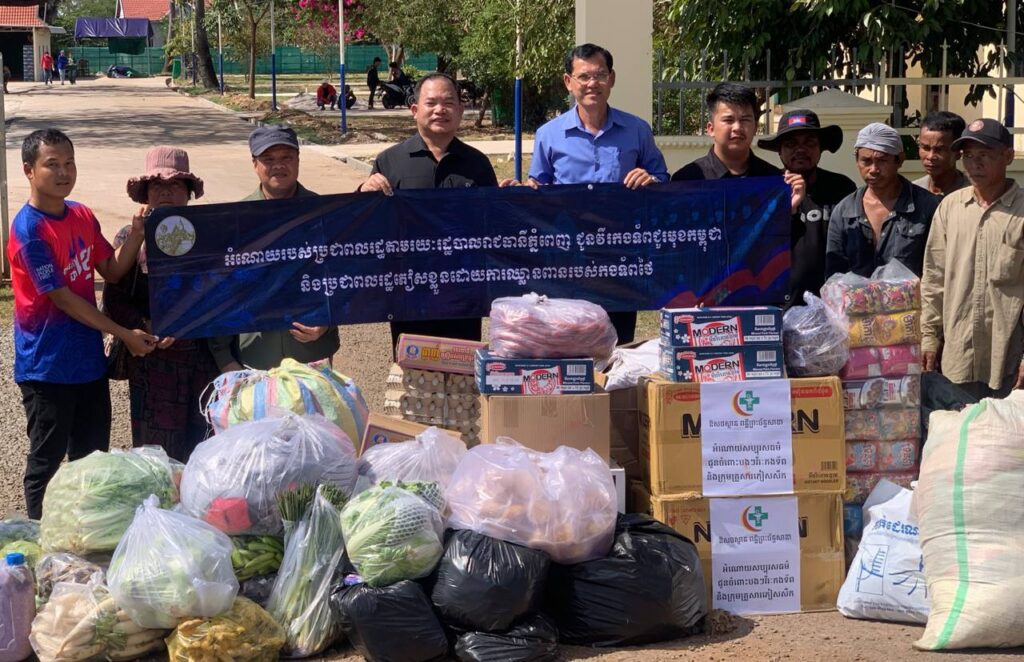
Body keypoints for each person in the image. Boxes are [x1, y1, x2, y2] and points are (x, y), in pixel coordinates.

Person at [7, 129, 157, 518]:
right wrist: (123, 334)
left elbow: (113, 270)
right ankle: (40, 538)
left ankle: (84, 535)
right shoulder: (29, 231)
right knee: (47, 461)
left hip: (88, 363)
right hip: (46, 367)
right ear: (29, 170)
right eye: (52, 164)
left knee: (92, 460)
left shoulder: (81, 215)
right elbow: (63, 298)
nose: (64, 172)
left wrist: (137, 234)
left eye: (69, 163)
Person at [522, 43, 669, 343]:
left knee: (618, 342)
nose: (592, 83)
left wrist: (651, 179)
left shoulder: (637, 130)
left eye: (600, 75)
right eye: (584, 76)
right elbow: (538, 187)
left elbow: (663, 180)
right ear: (569, 82)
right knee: (571, 340)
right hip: (568, 257)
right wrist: (529, 190)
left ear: (611, 79)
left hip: (620, 255)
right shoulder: (548, 135)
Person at [359, 72, 498, 354]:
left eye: (448, 103)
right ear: (414, 110)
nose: (440, 110)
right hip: (408, 294)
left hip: (462, 295)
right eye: (431, 103)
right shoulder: (390, 161)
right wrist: (364, 191)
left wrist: (513, 199)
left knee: (461, 374)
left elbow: (495, 227)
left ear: (460, 110)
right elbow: (368, 226)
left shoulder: (477, 164)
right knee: (412, 373)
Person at [102, 146, 219, 462]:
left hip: (204, 360)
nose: (166, 192)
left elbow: (223, 294)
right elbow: (114, 297)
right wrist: (144, 326)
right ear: (146, 193)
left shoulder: (211, 234)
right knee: (155, 457)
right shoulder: (130, 238)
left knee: (205, 449)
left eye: (175, 184)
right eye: (157, 185)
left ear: (189, 192)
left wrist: (188, 325)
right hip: (151, 365)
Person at [207, 126, 340, 372]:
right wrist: (224, 357)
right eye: (268, 159)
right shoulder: (235, 221)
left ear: (298, 160)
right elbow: (221, 291)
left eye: (286, 157)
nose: (278, 165)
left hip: (312, 355)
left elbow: (344, 277)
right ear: (254, 164)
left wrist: (328, 321)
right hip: (253, 357)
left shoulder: (325, 214)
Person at [921, 118, 1024, 399]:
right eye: (968, 156)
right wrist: (929, 337)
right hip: (958, 357)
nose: (974, 164)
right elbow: (934, 279)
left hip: (1009, 361)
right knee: (959, 426)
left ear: (1008, 156)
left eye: (984, 155)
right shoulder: (950, 208)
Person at [757, 109, 857, 305]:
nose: (800, 150)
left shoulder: (842, 188)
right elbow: (755, 249)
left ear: (821, 148)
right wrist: (787, 210)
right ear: (779, 151)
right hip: (780, 307)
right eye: (791, 144)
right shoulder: (765, 191)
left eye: (809, 143)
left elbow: (855, 246)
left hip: (833, 307)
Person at [825, 123, 939, 279]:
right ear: (857, 161)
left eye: (882, 160)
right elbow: (834, 277)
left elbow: (937, 270)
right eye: (866, 161)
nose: (873, 169)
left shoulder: (928, 207)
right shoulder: (844, 211)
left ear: (899, 160)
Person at [913, 111, 969, 197]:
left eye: (940, 150)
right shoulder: (912, 193)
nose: (930, 156)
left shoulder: (975, 194)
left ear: (958, 152)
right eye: (926, 148)